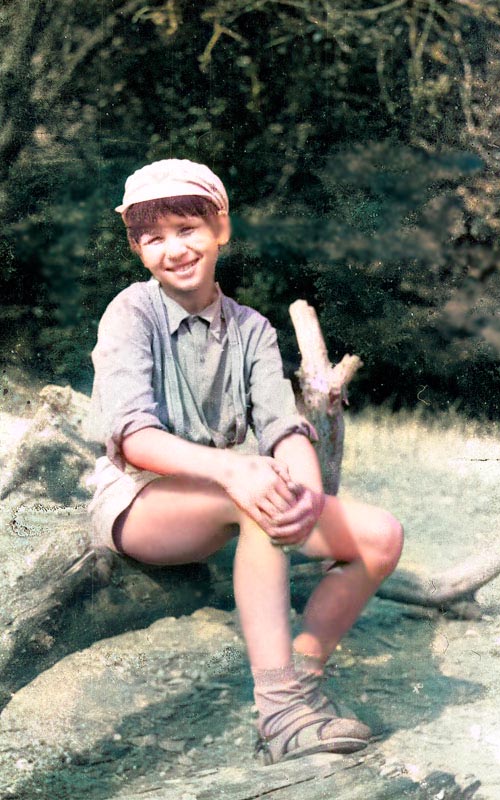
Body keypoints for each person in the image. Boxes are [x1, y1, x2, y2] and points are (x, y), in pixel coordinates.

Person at [87, 158, 404, 765]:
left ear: (221, 229)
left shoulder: (252, 330)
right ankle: (280, 712)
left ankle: (303, 681)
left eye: (188, 229)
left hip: (223, 493)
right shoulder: (132, 313)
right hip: (137, 501)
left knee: (380, 536)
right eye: (153, 238)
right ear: (136, 248)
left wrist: (309, 490)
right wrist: (235, 470)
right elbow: (133, 438)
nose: (174, 250)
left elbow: (283, 427)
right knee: (256, 497)